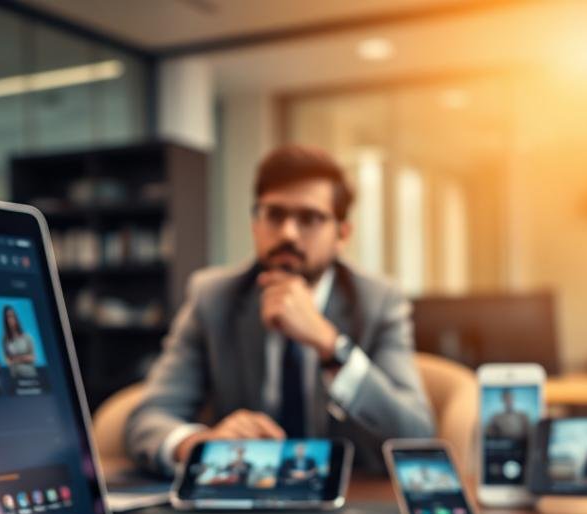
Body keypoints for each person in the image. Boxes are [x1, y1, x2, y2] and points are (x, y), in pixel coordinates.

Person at [126, 145, 434, 475]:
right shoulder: (213, 297)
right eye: (274, 215)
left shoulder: (379, 300)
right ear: (255, 223)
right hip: (244, 500)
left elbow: (416, 434)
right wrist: (201, 445)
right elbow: (148, 417)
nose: (288, 233)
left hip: (350, 500)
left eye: (310, 218)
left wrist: (331, 347)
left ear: (342, 234)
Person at [1, 305, 38, 379]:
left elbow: (32, 358)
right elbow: (8, 361)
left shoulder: (27, 337)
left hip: (30, 375)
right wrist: (23, 358)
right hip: (15, 377)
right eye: (8, 317)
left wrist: (16, 359)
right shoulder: (5, 340)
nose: (11, 319)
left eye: (12, 316)